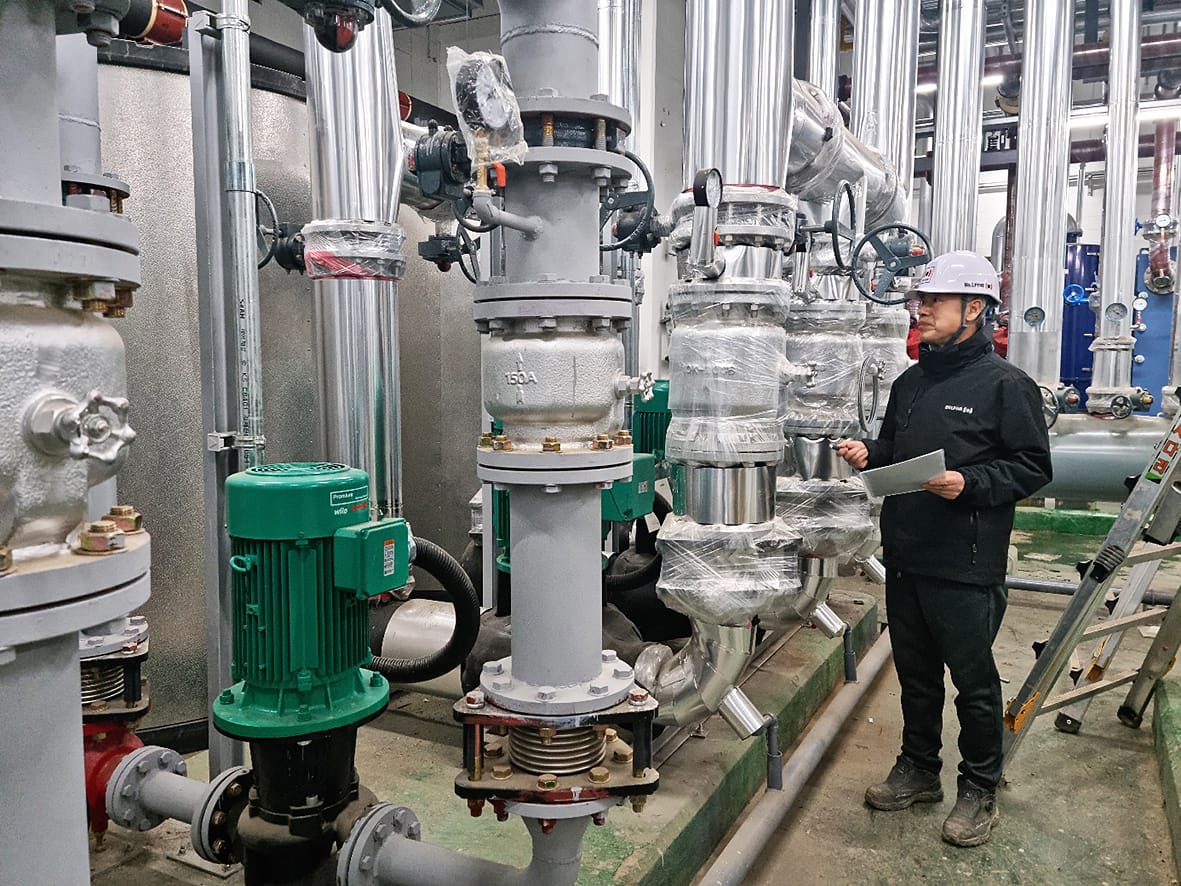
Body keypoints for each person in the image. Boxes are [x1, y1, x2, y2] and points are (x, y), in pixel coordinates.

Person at [836, 250, 1052, 848]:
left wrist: (970, 483)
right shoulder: (910, 382)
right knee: (916, 675)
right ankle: (919, 770)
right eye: (918, 300)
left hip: (965, 560)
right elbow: (894, 454)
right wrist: (869, 456)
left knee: (975, 683)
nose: (921, 310)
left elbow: (1034, 467)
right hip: (906, 553)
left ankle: (980, 788)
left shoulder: (1007, 386)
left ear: (974, 309)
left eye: (934, 301)